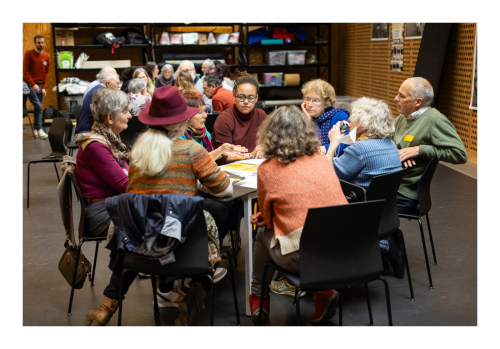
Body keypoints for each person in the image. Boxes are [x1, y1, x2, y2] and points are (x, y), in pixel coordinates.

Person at [85, 86, 233, 327]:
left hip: (140, 244)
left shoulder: (137, 151)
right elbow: (225, 190)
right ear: (181, 122)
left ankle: (106, 307)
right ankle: (196, 293)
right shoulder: (191, 150)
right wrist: (195, 183)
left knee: (142, 222)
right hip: (183, 249)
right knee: (220, 212)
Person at [249, 105, 348, 325]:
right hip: (345, 253)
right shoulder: (323, 160)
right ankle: (323, 293)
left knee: (262, 232)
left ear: (270, 134)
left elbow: (267, 215)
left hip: (303, 258)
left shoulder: (267, 168)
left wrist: (267, 217)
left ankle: (259, 300)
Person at [381, 77, 468, 277]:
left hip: (407, 192)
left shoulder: (434, 120)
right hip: (395, 183)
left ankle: (390, 246)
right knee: (361, 196)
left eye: (401, 96)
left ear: (418, 102)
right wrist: (398, 155)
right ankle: (385, 243)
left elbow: (459, 154)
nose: (396, 98)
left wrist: (420, 150)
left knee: (364, 206)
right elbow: (391, 144)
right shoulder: (403, 117)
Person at [74, 88, 131, 238]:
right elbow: (126, 185)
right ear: (110, 118)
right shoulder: (96, 146)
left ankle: (123, 260)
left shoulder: (108, 138)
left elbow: (126, 175)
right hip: (102, 213)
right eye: (125, 112)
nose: (130, 116)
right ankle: (125, 261)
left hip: (112, 204)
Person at [326, 97, 401, 189]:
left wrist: (333, 143)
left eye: (353, 116)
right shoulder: (391, 144)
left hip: (358, 201)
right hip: (383, 202)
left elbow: (327, 176)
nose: (349, 119)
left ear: (364, 125)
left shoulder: (360, 148)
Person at [212, 72, 267, 164]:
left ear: (256, 98)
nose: (246, 102)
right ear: (234, 96)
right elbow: (222, 158)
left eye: (250, 97)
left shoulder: (262, 115)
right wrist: (250, 155)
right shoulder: (224, 119)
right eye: (241, 97)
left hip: (257, 165)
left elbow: (271, 143)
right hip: (231, 168)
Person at [301, 79, 350, 157]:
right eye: (307, 99)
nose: (310, 104)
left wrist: (312, 150)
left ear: (327, 103)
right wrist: (307, 122)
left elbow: (342, 146)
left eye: (315, 100)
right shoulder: (303, 117)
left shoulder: (342, 117)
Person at [23, 34, 50, 139]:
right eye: (38, 42)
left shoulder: (47, 56)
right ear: (35, 43)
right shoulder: (29, 54)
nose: (41, 44)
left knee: (38, 108)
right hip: (28, 84)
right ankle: (39, 129)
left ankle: (36, 130)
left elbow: (46, 73)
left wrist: (44, 87)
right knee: (38, 106)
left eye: (42, 42)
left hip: (39, 85)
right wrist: (33, 85)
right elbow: (25, 72)